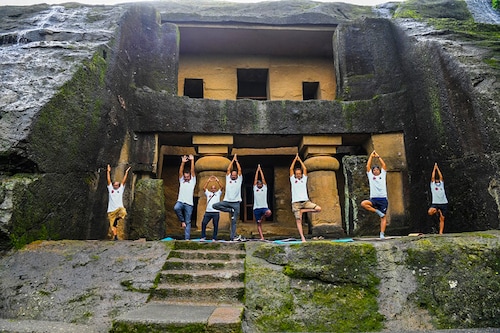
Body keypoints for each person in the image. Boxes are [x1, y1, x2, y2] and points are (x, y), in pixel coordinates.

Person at [289, 153, 321, 242]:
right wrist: (295, 160)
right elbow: (291, 169)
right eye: (297, 174)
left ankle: (303, 211)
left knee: (318, 209)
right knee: (298, 220)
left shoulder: (304, 179)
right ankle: (302, 237)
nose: (298, 175)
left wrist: (300, 160)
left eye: (300, 173)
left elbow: (305, 169)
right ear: (295, 174)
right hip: (296, 203)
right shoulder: (293, 180)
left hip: (305, 202)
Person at [213, 154, 242, 241]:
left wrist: (236, 162)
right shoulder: (228, 179)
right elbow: (228, 169)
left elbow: (240, 170)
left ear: (237, 176)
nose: (233, 176)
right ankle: (230, 210)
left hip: (236, 203)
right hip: (227, 201)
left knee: (234, 221)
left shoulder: (239, 180)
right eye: (232, 175)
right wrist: (232, 160)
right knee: (215, 205)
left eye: (234, 175)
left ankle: (232, 237)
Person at [361, 150, 388, 239]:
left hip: (383, 198)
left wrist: (378, 157)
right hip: (374, 198)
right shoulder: (371, 176)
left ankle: (382, 234)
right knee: (364, 203)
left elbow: (384, 165)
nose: (376, 171)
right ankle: (377, 212)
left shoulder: (383, 175)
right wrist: (371, 157)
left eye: (377, 170)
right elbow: (367, 166)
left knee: (383, 217)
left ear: (379, 171)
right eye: (374, 170)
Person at [174, 154, 196, 240]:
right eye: (185, 177)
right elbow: (180, 172)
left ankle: (187, 238)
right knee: (176, 208)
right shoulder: (182, 181)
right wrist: (183, 163)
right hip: (181, 201)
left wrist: (192, 161)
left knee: (188, 221)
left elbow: (192, 171)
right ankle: (182, 221)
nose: (186, 178)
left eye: (187, 177)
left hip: (189, 204)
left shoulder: (192, 182)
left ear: (190, 177)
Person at [106, 164, 131, 241]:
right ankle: (115, 236)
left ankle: (118, 218)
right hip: (111, 211)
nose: (115, 186)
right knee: (113, 225)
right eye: (114, 185)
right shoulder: (111, 189)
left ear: (119, 186)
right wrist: (108, 171)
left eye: (117, 185)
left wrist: (126, 172)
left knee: (123, 211)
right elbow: (108, 180)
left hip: (119, 209)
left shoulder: (120, 189)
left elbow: (124, 180)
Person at [200, 175, 223, 241]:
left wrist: (217, 181)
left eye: (214, 188)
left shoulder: (218, 193)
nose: (213, 189)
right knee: (204, 223)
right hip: (208, 212)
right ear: (211, 189)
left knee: (215, 225)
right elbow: (204, 188)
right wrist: (208, 181)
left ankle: (214, 238)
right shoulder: (208, 193)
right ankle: (203, 236)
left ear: (216, 189)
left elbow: (222, 187)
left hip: (216, 212)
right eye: (212, 188)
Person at [428, 163, 448, 234]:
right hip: (436, 203)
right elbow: (433, 177)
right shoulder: (433, 185)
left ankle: (440, 232)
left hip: (443, 203)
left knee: (442, 218)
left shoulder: (441, 184)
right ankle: (436, 211)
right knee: (430, 212)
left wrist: (438, 169)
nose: (436, 180)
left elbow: (441, 177)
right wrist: (435, 168)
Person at [253, 164, 272, 240]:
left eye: (261, 184)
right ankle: (262, 237)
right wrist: (257, 171)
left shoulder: (264, 188)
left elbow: (263, 179)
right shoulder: (255, 188)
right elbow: (255, 180)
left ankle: (262, 217)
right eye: (258, 184)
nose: (260, 185)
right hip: (256, 208)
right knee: (258, 223)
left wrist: (260, 170)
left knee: (269, 212)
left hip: (264, 207)